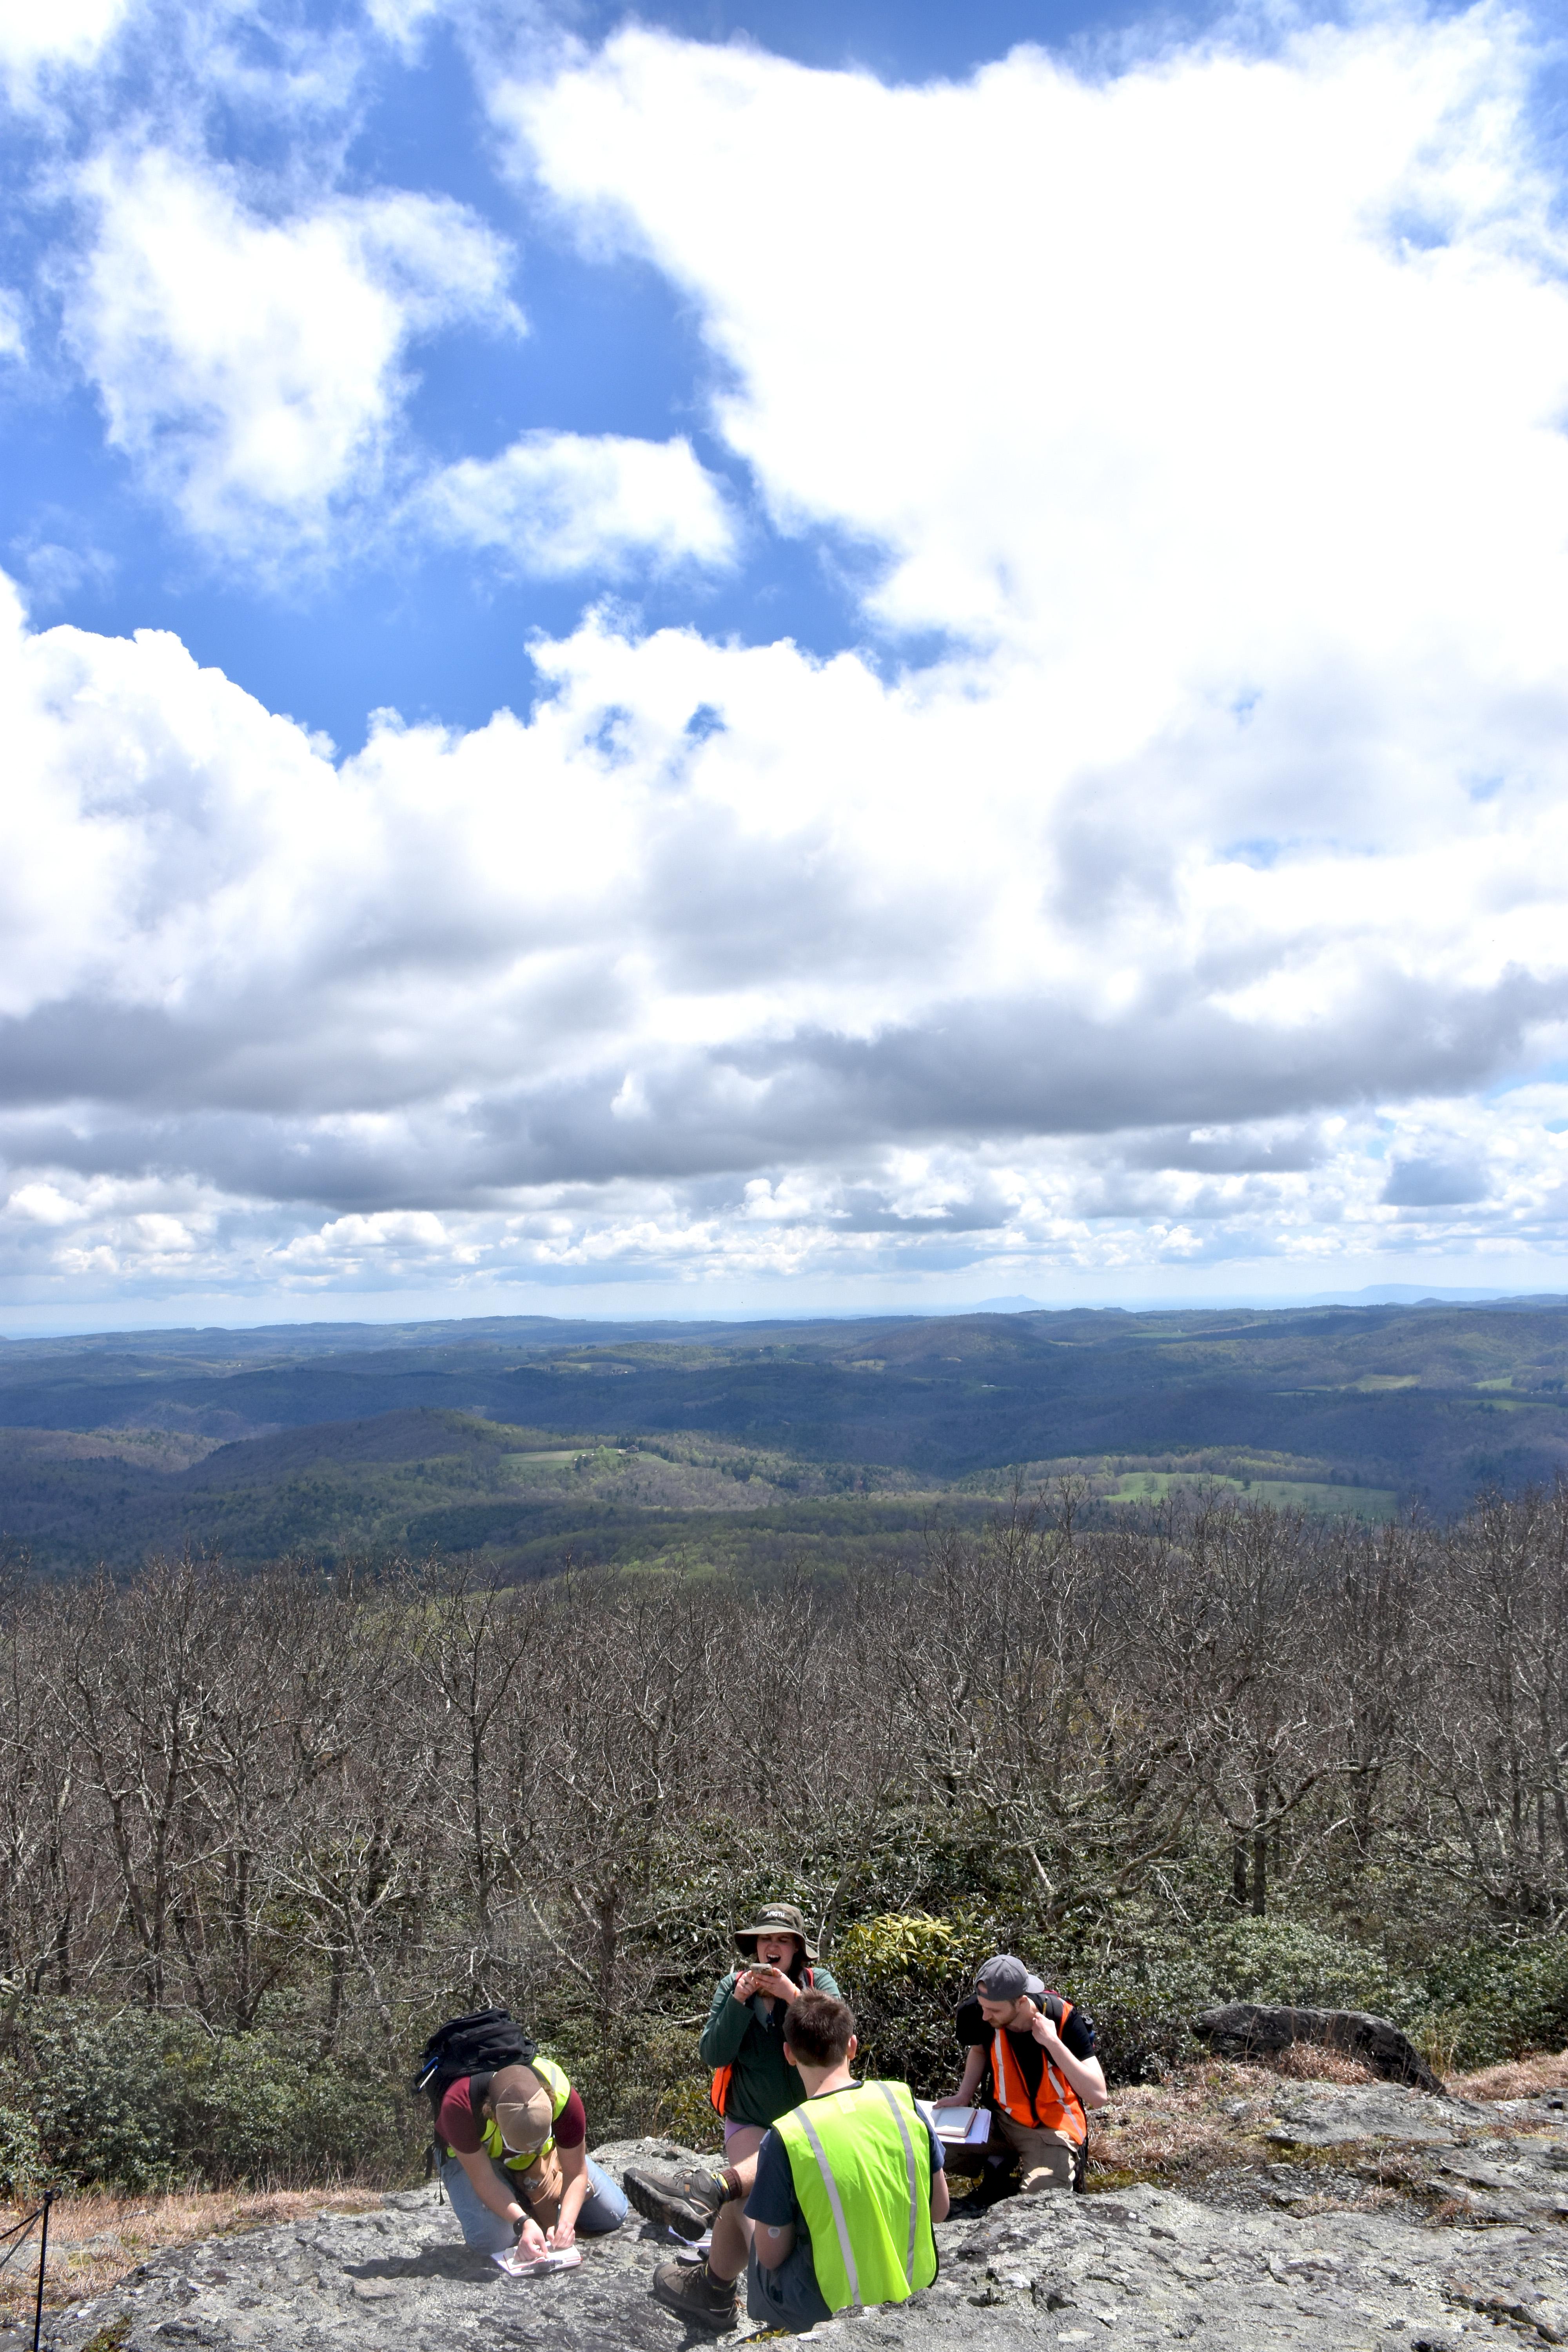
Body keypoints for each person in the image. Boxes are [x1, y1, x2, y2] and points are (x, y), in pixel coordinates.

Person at [648, 1989, 948, 2333]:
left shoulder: (789, 2135)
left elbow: (772, 2256)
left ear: (789, 2054)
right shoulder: (900, 2100)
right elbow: (939, 2209)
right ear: (852, 2045)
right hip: (916, 2289)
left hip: (825, 2307)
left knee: (741, 2200)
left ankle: (713, 2292)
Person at [623, 1901, 840, 2238]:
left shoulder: (818, 1982)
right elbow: (713, 2053)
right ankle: (759, 2269)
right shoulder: (732, 1987)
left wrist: (793, 1997)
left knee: (745, 2194)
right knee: (755, 2205)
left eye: (783, 1939)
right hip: (750, 2119)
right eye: (765, 1938)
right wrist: (738, 2003)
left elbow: (834, 2043)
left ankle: (714, 2274)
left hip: (810, 2119)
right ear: (754, 1946)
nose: (772, 1946)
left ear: (797, 1947)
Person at [945, 1951, 1107, 2202]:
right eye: (983, 2007)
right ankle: (998, 2164)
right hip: (1001, 2122)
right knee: (924, 2146)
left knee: (1041, 2200)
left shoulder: (1063, 2018)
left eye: (994, 2011)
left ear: (1021, 2002)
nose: (985, 2017)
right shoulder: (982, 2011)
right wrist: (964, 2095)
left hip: (1052, 2130)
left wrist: (1052, 2043)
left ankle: (1010, 2169)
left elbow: (1098, 2096)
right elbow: (979, 2050)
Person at [437, 2053, 627, 2258]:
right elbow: (484, 2180)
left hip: (543, 2160)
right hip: (477, 2162)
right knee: (492, 2240)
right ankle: (520, 2197)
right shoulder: (459, 2106)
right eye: (519, 2147)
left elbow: (577, 2172)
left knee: (612, 2214)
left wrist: (566, 2222)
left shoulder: (561, 2092)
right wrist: (523, 2222)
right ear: (493, 2117)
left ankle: (534, 2187)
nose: (528, 2151)